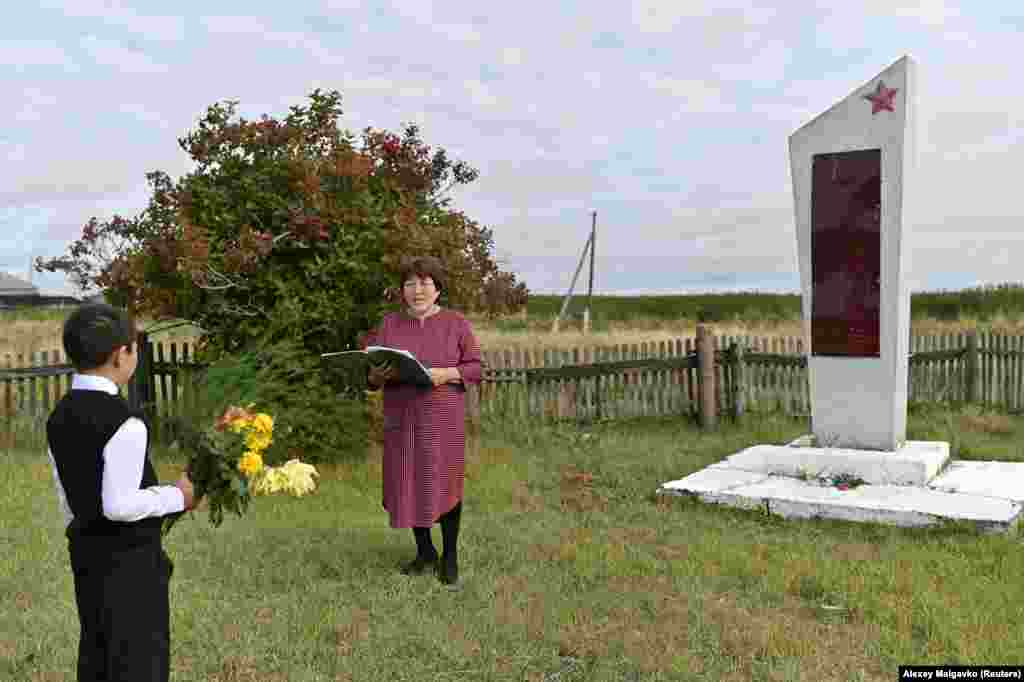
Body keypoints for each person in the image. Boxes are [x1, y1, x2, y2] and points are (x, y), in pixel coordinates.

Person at [46, 303, 198, 682]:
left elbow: (68, 498)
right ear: (120, 355)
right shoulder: (125, 421)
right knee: (138, 661)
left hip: (85, 557)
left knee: (98, 657)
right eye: (134, 347)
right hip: (130, 567)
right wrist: (178, 496)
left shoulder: (59, 416)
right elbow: (119, 505)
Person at [363, 256, 482, 590]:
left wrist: (445, 374)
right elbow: (371, 378)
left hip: (443, 421)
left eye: (425, 283)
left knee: (444, 483)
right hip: (401, 419)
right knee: (409, 482)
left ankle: (450, 556)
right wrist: (374, 376)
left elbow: (475, 368)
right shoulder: (388, 325)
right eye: (410, 284)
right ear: (402, 290)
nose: (417, 290)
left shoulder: (456, 323)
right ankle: (425, 551)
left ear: (438, 288)